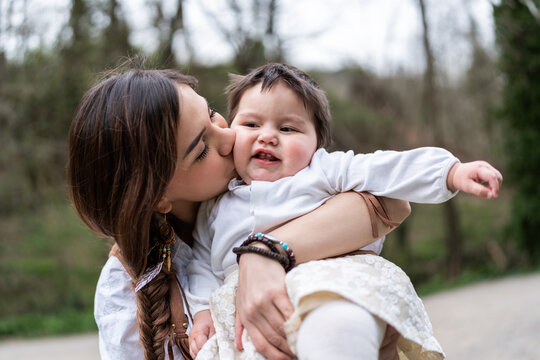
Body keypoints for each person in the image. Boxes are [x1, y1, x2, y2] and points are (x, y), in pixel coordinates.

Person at [67, 67, 413, 360]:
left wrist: (263, 252)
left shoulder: (274, 183)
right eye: (202, 149)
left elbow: (392, 202)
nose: (229, 137)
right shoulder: (123, 286)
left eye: (213, 114)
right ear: (158, 198)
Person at [186, 63, 503, 360]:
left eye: (288, 128)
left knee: (340, 326)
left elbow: (383, 167)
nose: (267, 136)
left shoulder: (321, 171)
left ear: (316, 144)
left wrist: (449, 172)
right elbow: (200, 261)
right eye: (251, 124)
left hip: (323, 282)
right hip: (246, 314)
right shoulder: (215, 205)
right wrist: (201, 311)